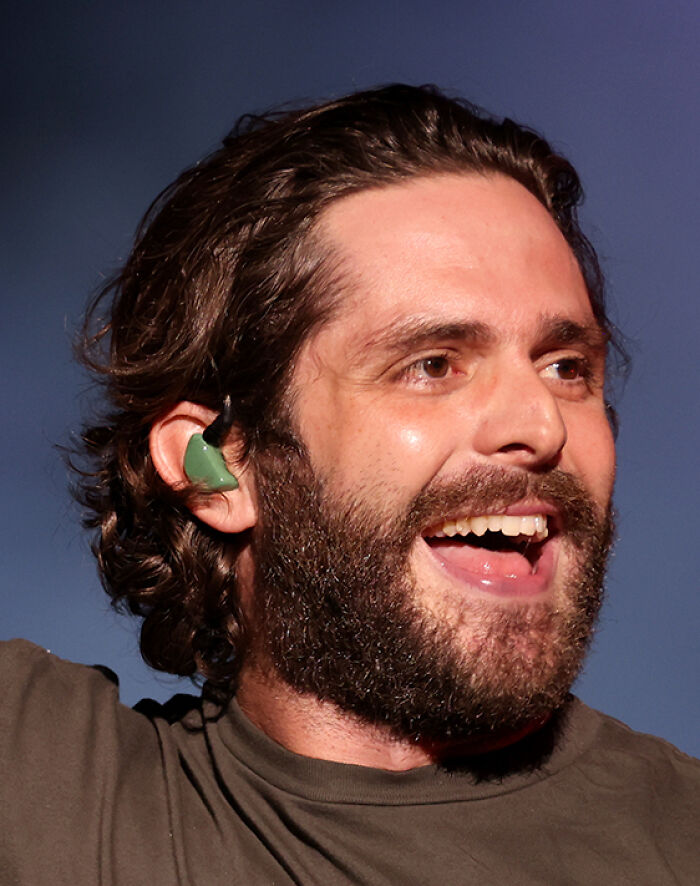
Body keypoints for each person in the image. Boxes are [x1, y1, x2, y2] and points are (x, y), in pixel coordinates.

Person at [2, 84, 698, 885]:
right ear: (219, 466)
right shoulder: (50, 795)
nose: (542, 425)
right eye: (432, 365)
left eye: (566, 367)